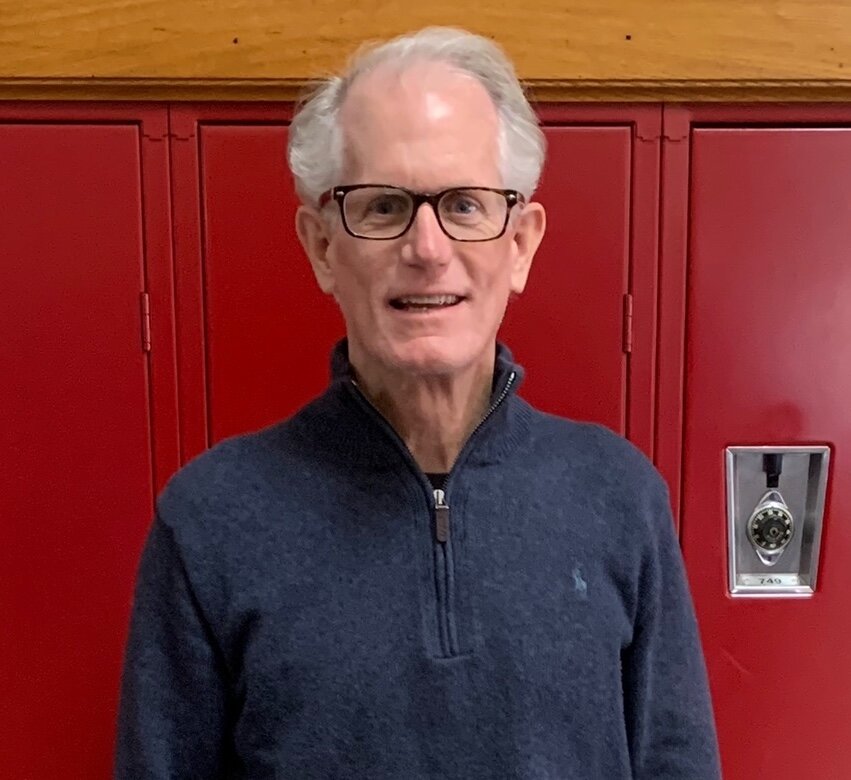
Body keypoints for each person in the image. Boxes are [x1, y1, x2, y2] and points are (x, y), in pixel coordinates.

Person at [115, 27, 721, 779]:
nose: (428, 248)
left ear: (520, 245)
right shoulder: (211, 520)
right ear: (322, 248)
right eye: (382, 206)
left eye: (464, 205)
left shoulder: (618, 496)